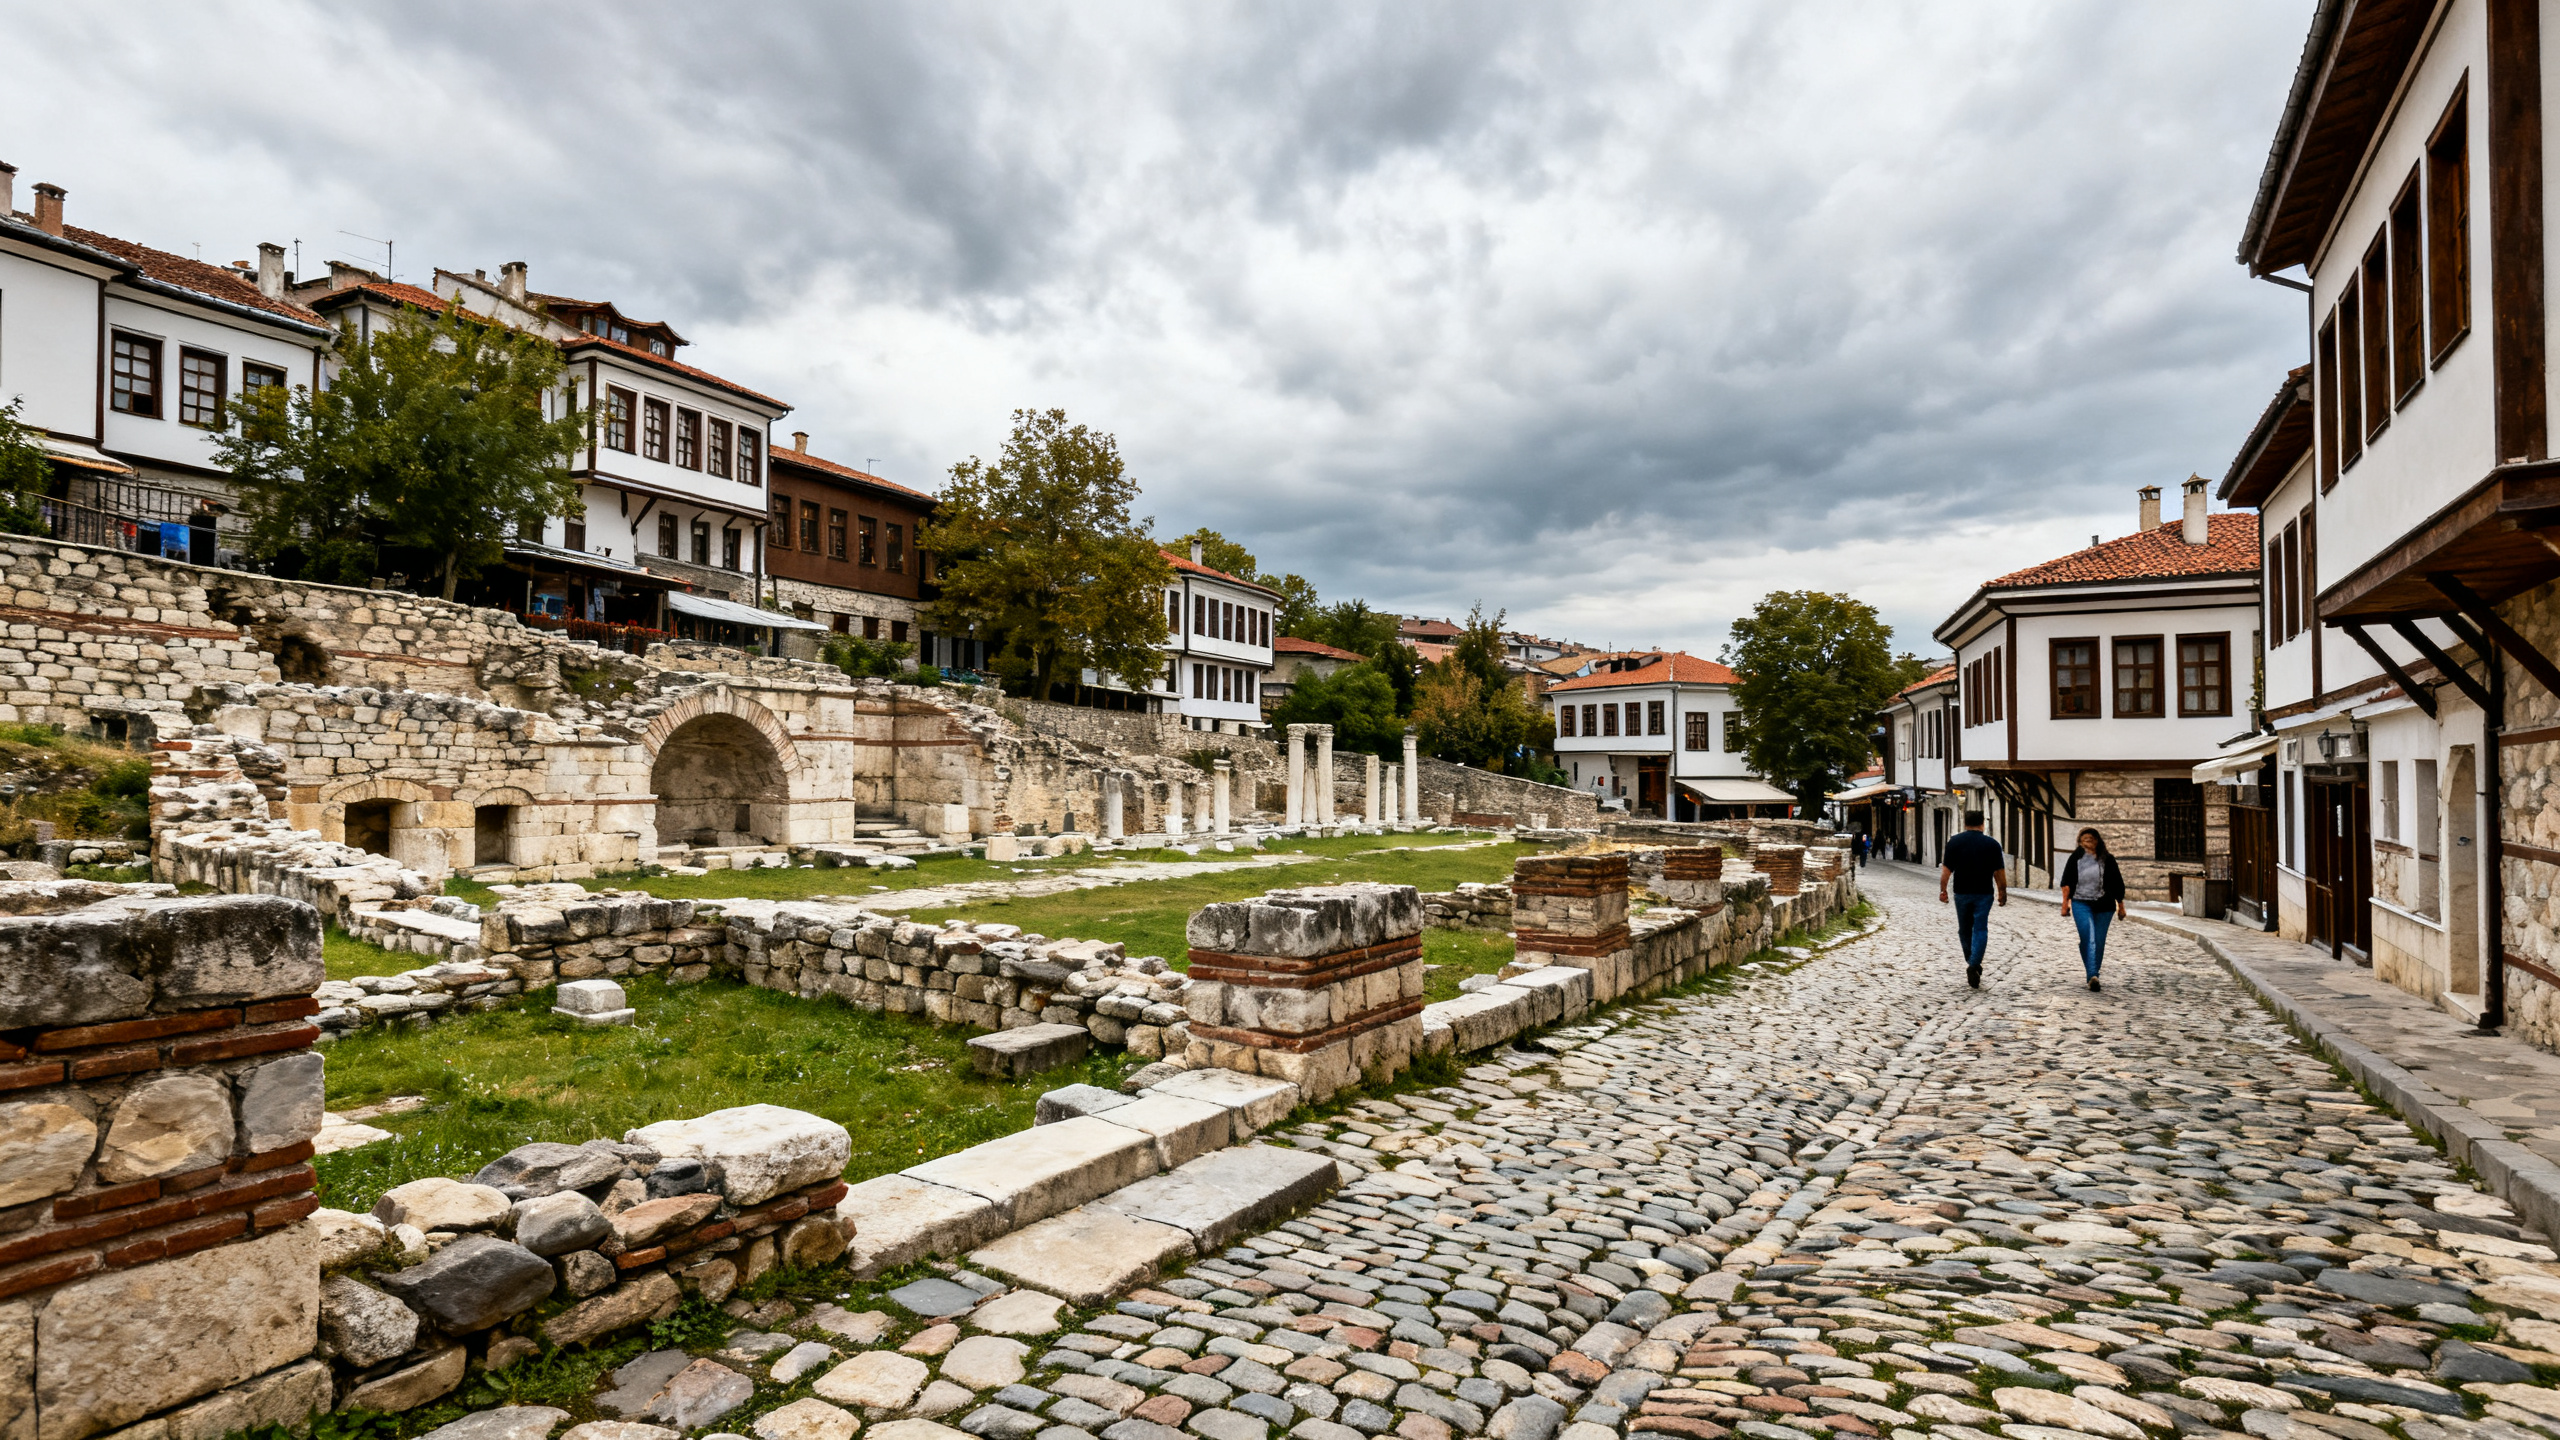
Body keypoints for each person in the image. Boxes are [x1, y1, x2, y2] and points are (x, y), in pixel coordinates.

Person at [1938, 810, 2006, 988]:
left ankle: (1972, 961)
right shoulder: (1992, 844)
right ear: (1982, 823)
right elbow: (1999, 872)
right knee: (1980, 928)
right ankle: (1974, 963)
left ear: (1964, 822)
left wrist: (1943, 890)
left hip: (1961, 892)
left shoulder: (1954, 842)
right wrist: (2002, 891)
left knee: (1964, 929)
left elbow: (1946, 870)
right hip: (1984, 893)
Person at [2057, 827, 2127, 992]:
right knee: (2088, 936)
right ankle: (2092, 975)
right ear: (2080, 842)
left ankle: (2093, 972)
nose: (2088, 841)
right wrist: (2065, 904)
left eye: (2091, 838)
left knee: (2099, 941)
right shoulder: (2075, 858)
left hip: (2105, 906)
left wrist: (2121, 906)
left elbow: (2117, 883)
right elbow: (2066, 882)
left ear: (2097, 841)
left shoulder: (2107, 859)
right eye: (2084, 839)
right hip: (2081, 903)